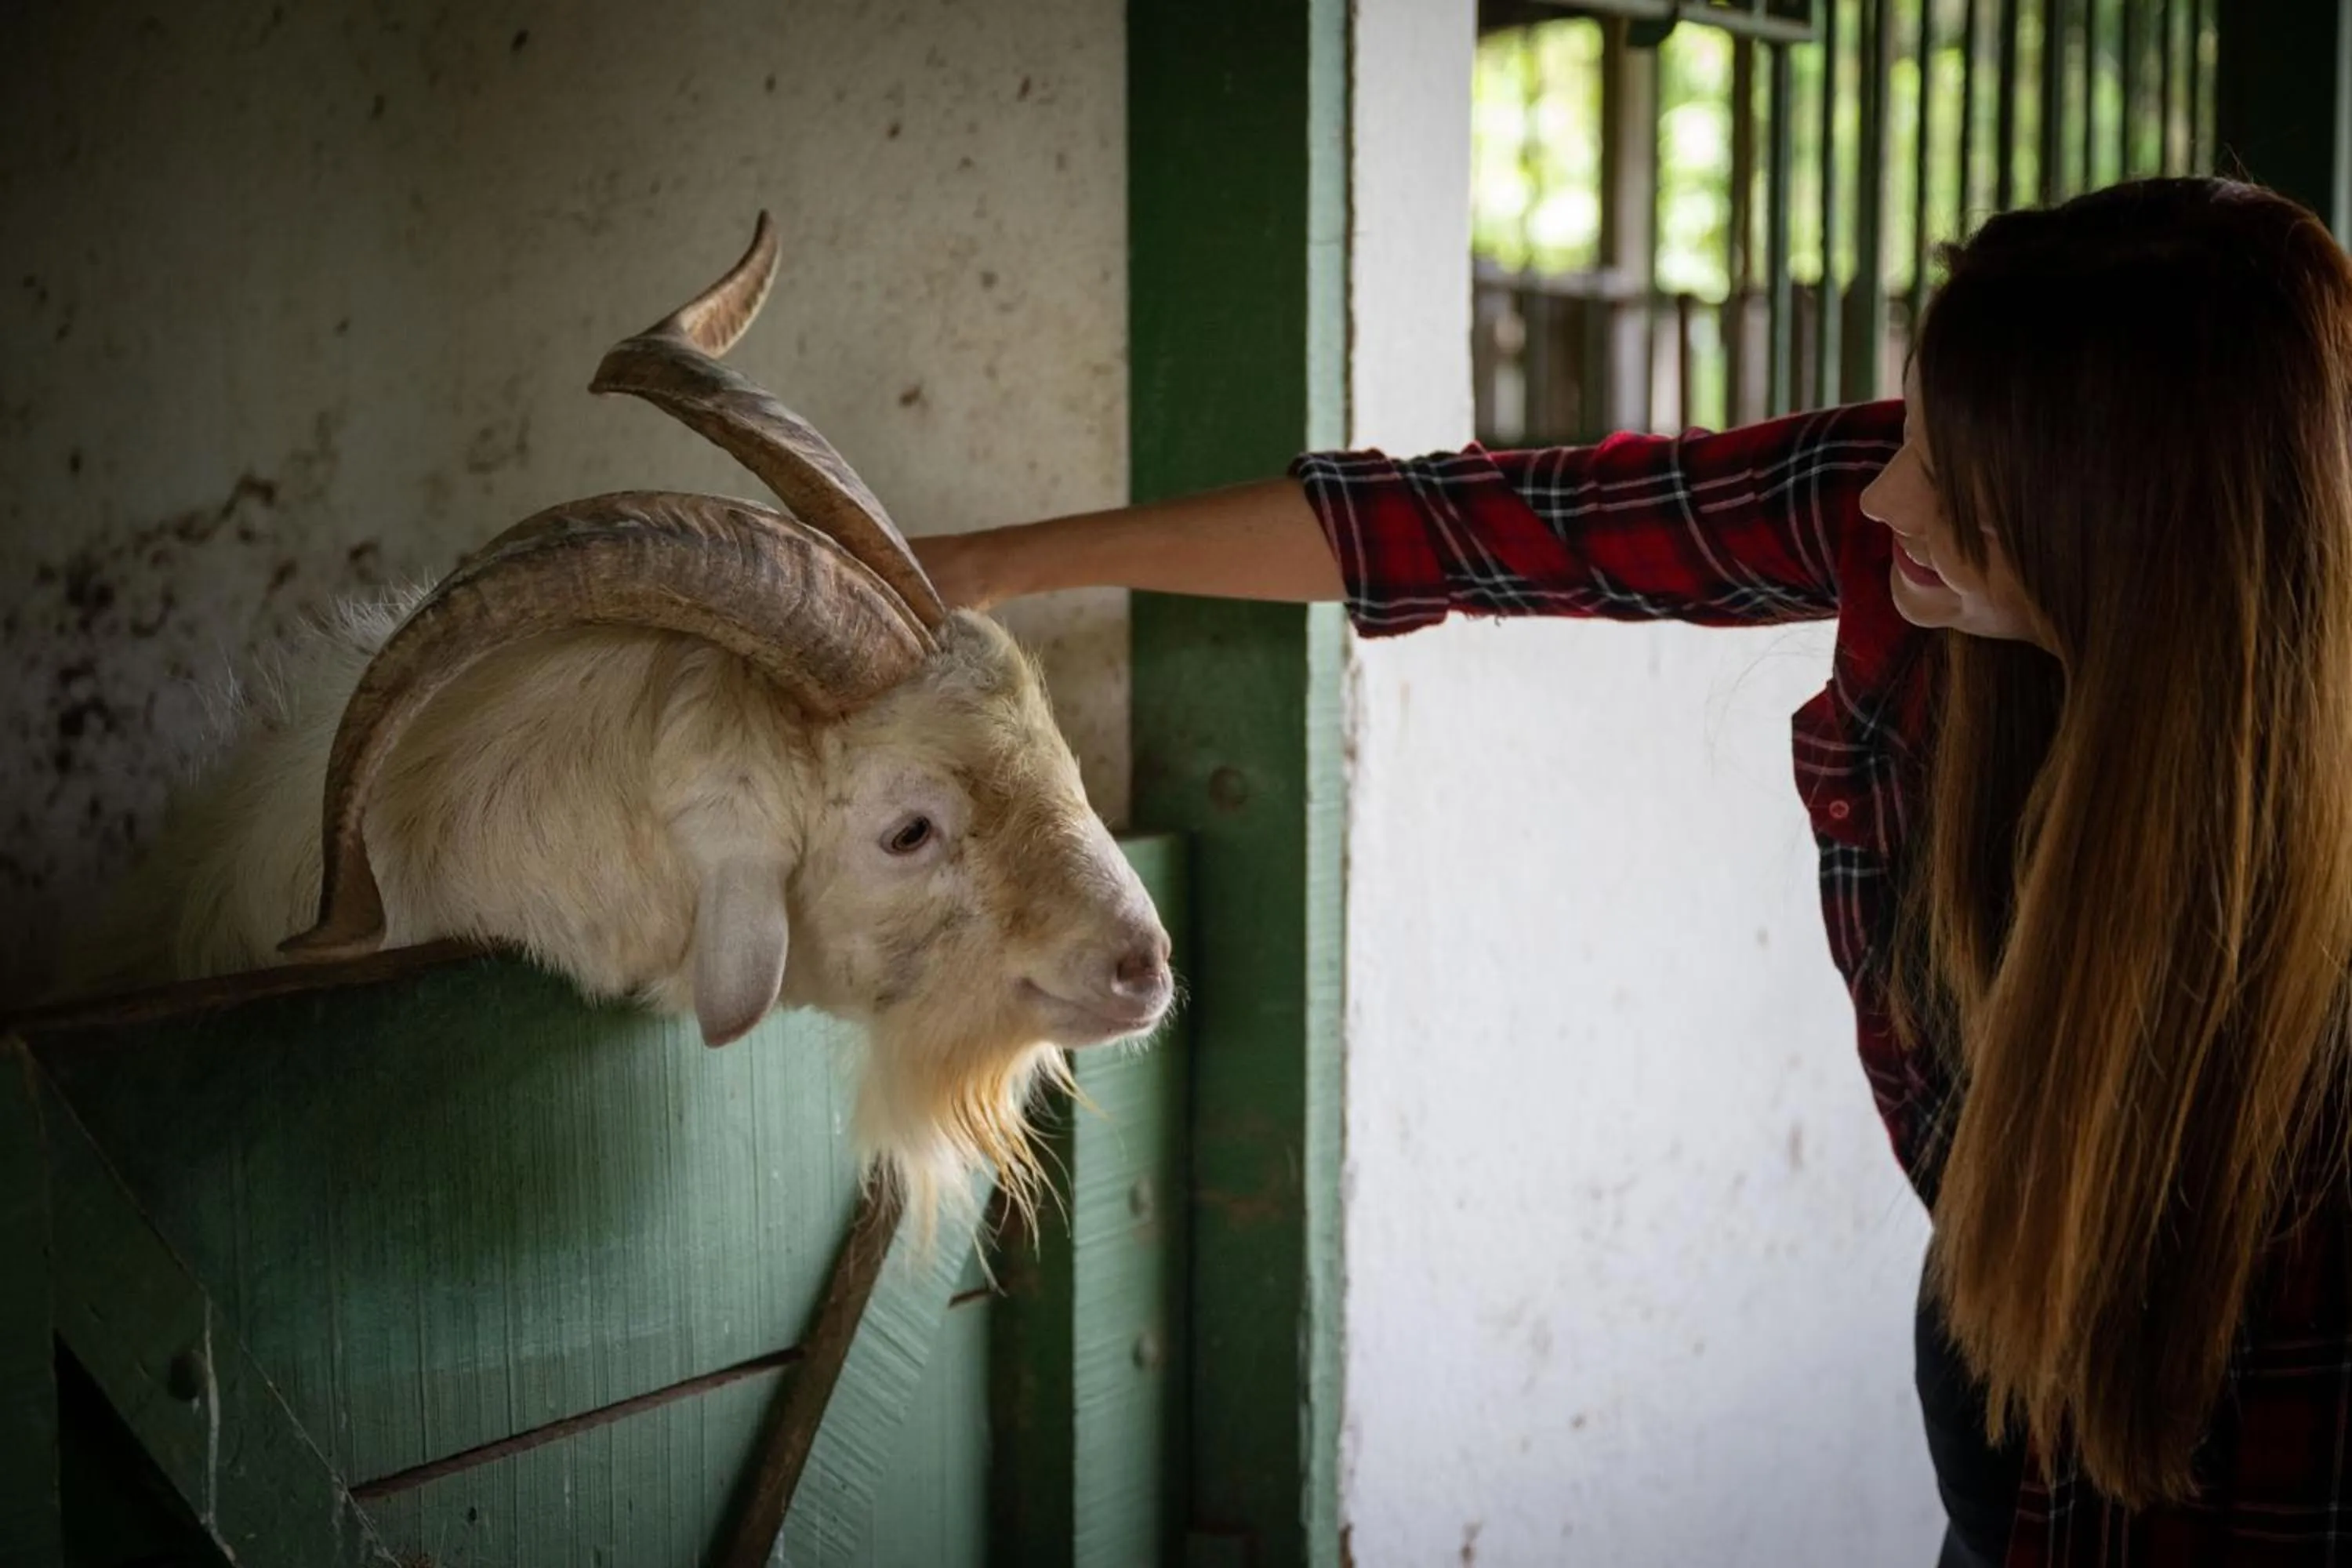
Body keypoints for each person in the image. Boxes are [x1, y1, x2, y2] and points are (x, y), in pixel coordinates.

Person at [914, 176, 2352, 1564]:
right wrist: (982, 567)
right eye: (1918, 427)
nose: (1892, 495)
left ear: (2123, 539)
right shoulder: (1900, 511)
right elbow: (1485, 524)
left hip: (2206, 1415)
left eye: (1957, 478)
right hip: (2000, 1326)